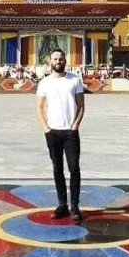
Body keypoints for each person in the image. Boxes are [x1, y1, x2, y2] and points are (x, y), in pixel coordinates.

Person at [36, 48, 85, 221]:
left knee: (74, 168)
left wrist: (75, 125)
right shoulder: (44, 83)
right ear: (50, 62)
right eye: (55, 59)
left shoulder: (74, 80)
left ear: (65, 60)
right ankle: (62, 204)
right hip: (52, 132)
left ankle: (75, 206)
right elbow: (39, 107)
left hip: (70, 132)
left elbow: (81, 105)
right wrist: (45, 128)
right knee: (57, 169)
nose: (58, 61)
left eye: (61, 58)